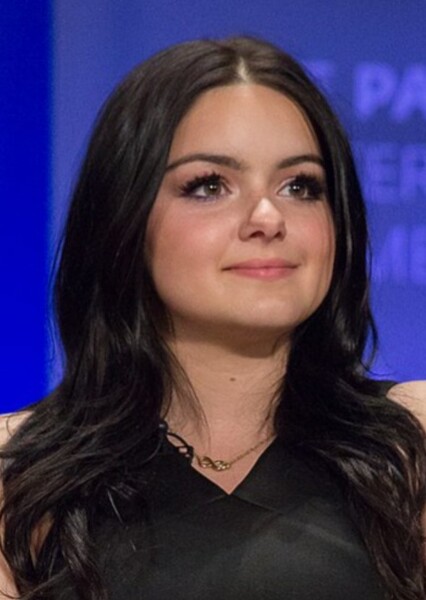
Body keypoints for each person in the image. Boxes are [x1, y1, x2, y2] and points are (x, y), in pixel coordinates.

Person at [0, 35, 425, 600]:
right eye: (209, 185)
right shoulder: (19, 473)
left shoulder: (410, 446)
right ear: (125, 219)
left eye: (301, 186)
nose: (268, 217)